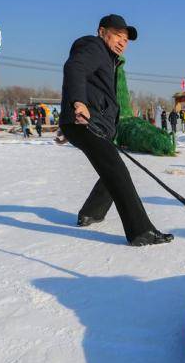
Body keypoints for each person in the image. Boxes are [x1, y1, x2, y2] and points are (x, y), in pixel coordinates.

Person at [59, 13, 172, 247]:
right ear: (102, 32)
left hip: (91, 124)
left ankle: (92, 212)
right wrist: (77, 104)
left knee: (111, 167)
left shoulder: (108, 58)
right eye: (118, 35)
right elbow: (75, 68)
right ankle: (140, 230)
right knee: (116, 170)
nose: (123, 42)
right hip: (86, 122)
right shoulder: (93, 46)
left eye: (126, 39)